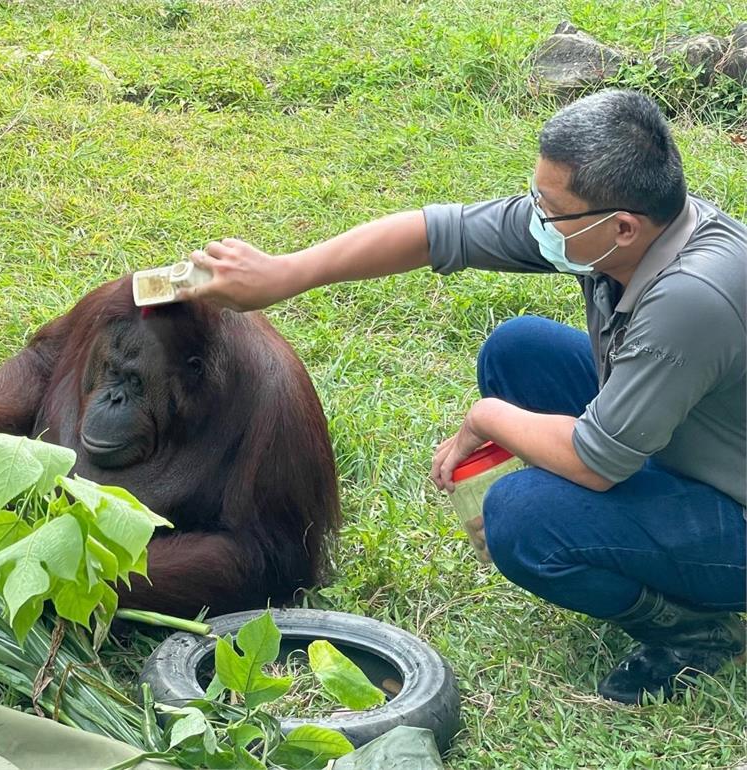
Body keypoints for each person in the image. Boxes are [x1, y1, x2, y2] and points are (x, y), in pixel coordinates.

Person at [177, 89, 746, 705]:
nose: (535, 220)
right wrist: (286, 273)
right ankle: (625, 533)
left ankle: (695, 633)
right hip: (696, 442)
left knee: (521, 516)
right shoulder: (625, 231)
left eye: (550, 210)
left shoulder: (690, 297)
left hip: (734, 509)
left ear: (622, 227)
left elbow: (596, 462)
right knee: (518, 348)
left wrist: (486, 417)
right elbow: (438, 233)